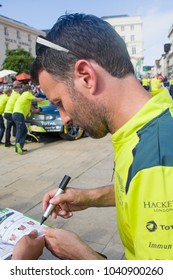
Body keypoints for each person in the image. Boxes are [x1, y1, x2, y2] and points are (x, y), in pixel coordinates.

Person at [12, 13, 173, 260]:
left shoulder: (158, 161)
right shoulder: (150, 124)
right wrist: (89, 197)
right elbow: (138, 192)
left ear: (86, 76)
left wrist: (85, 258)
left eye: (60, 102)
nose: (64, 118)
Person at [12, 84, 44, 154]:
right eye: (31, 90)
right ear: (29, 90)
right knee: (20, 130)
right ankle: (18, 144)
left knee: (24, 130)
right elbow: (37, 99)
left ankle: (19, 147)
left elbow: (33, 110)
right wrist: (46, 99)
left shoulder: (27, 99)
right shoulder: (26, 94)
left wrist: (40, 109)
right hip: (19, 114)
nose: (32, 92)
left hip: (16, 114)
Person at [3, 80, 23, 147]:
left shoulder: (12, 94)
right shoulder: (17, 95)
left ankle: (7, 142)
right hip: (11, 113)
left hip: (6, 112)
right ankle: (18, 140)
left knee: (9, 128)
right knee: (17, 126)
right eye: (19, 88)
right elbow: (22, 102)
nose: (20, 89)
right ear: (17, 89)